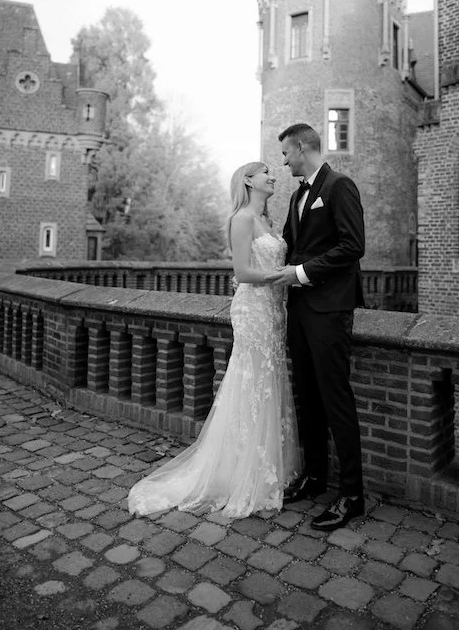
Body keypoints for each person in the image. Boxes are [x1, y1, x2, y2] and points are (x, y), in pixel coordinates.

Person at [128, 161, 300, 518]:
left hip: (274, 312)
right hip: (253, 311)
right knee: (251, 383)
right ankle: (240, 473)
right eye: (265, 171)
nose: (273, 176)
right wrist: (282, 276)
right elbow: (241, 272)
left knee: (268, 383)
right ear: (249, 181)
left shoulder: (268, 220)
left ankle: (263, 466)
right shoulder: (241, 219)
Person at [266, 123, 365, 531]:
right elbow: (289, 245)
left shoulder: (340, 186)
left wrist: (303, 272)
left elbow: (353, 246)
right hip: (300, 310)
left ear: (304, 147)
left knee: (335, 399)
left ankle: (353, 495)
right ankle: (314, 477)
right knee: (306, 397)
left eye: (287, 153)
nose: (283, 160)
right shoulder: (295, 196)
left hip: (329, 311)